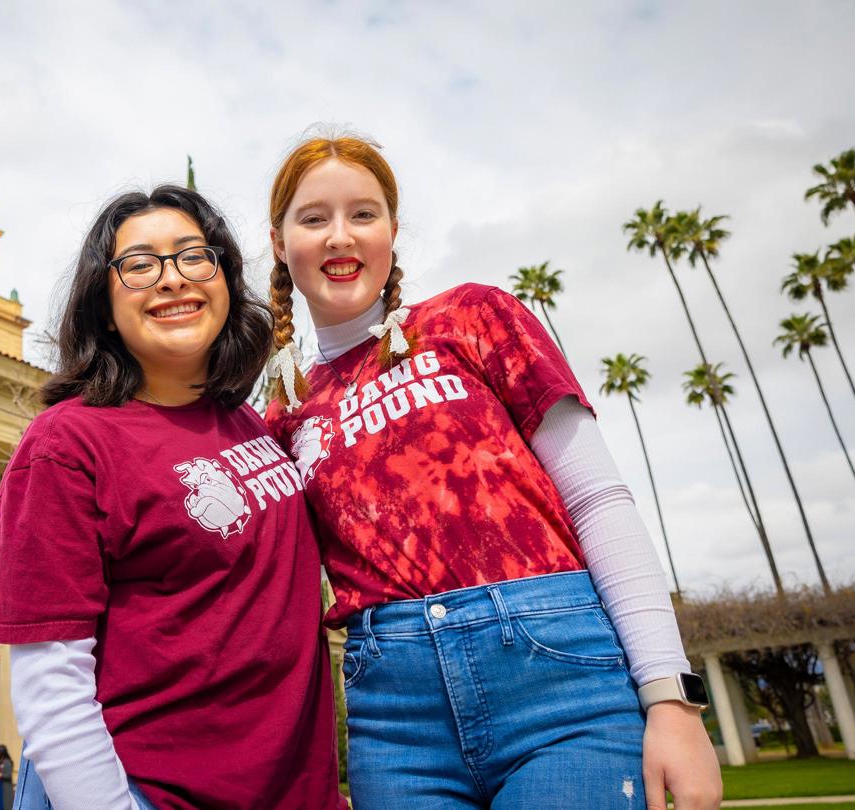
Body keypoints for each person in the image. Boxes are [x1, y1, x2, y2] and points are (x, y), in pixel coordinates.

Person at [262, 133, 723, 809]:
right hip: (396, 724)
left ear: (392, 229)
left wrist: (670, 699)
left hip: (560, 686)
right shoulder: (286, 413)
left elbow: (597, 499)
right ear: (279, 243)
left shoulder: (473, 317)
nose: (341, 237)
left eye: (363, 214)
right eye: (314, 218)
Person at [0, 185, 345, 810]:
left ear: (225, 281)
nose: (172, 280)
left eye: (192, 256)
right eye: (139, 264)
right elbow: (51, 676)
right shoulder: (68, 443)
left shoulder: (250, 426)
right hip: (144, 791)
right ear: (103, 305)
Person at [0, 745, 14, 810]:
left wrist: (0, 775)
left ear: (1, 751)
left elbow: (8, 775)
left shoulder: (7, 762)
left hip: (5, 787)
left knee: (6, 805)